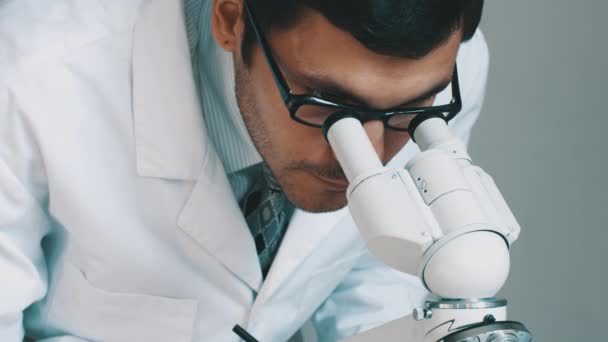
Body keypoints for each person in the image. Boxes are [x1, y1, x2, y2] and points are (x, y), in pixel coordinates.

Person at [0, 0, 488, 340]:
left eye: (407, 111)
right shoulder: (31, 74)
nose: (367, 156)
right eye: (329, 105)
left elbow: (375, 272)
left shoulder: (442, 79)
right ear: (230, 19)